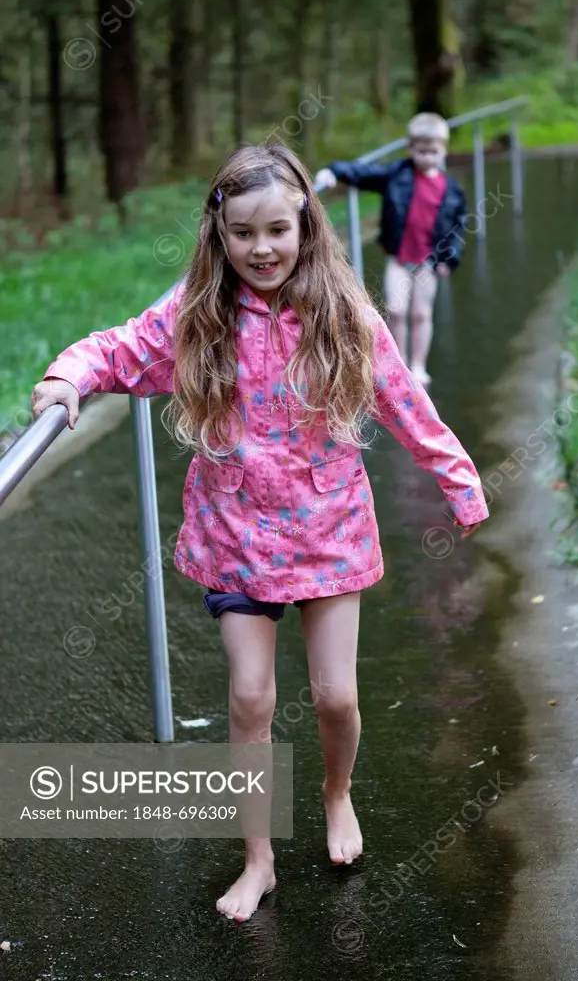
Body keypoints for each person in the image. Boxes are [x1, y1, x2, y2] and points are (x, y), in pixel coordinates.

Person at [31, 142, 489, 924]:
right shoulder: (198, 314)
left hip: (329, 529)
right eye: (243, 233)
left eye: (278, 229)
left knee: (335, 697)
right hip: (235, 533)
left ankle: (336, 794)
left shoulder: (342, 313)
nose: (262, 249)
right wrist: (68, 375)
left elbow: (404, 401)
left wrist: (460, 479)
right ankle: (258, 857)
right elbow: (118, 347)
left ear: (306, 226)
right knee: (249, 698)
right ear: (220, 234)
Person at [314, 112, 467, 387]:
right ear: (410, 148)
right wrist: (334, 170)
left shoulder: (451, 190)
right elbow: (364, 173)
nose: (427, 157)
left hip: (427, 263)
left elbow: (457, 227)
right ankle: (400, 365)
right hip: (398, 258)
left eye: (434, 151)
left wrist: (449, 259)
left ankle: (418, 365)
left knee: (421, 313)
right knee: (396, 310)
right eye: (421, 151)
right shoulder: (397, 174)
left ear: (443, 150)